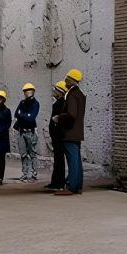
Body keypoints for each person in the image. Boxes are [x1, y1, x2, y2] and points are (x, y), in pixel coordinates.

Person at [54, 68, 86, 196]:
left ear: (70, 80)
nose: (65, 81)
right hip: (77, 132)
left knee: (72, 160)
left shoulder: (72, 95)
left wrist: (58, 118)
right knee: (77, 160)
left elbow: (71, 114)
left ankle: (71, 186)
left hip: (70, 132)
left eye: (66, 78)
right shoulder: (80, 94)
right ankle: (77, 185)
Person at [13, 83, 40, 182]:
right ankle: (25, 173)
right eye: (25, 91)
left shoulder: (35, 104)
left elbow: (31, 117)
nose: (26, 92)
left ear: (33, 91)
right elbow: (16, 113)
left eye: (28, 90)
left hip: (30, 132)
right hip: (21, 132)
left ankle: (33, 174)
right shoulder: (22, 103)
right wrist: (25, 115)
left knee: (32, 153)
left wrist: (22, 114)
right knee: (23, 154)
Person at [44, 81, 68, 190]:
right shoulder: (58, 102)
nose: (53, 91)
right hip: (56, 135)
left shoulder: (62, 102)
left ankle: (59, 182)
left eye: (55, 90)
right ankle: (55, 181)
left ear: (60, 91)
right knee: (57, 159)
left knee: (59, 159)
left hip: (58, 135)